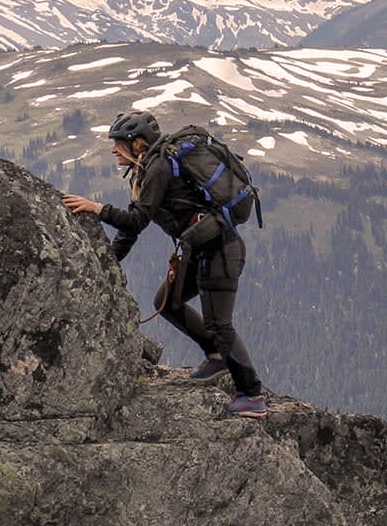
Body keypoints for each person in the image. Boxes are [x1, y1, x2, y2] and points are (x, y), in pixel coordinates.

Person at [62, 110, 267, 418]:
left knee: (219, 324)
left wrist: (97, 208)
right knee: (167, 302)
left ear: (138, 144)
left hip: (220, 251)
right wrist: (108, 263)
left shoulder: (157, 167)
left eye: (118, 143)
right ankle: (216, 356)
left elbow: (136, 220)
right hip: (199, 251)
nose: (113, 150)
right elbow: (132, 226)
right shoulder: (148, 169)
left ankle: (251, 395)